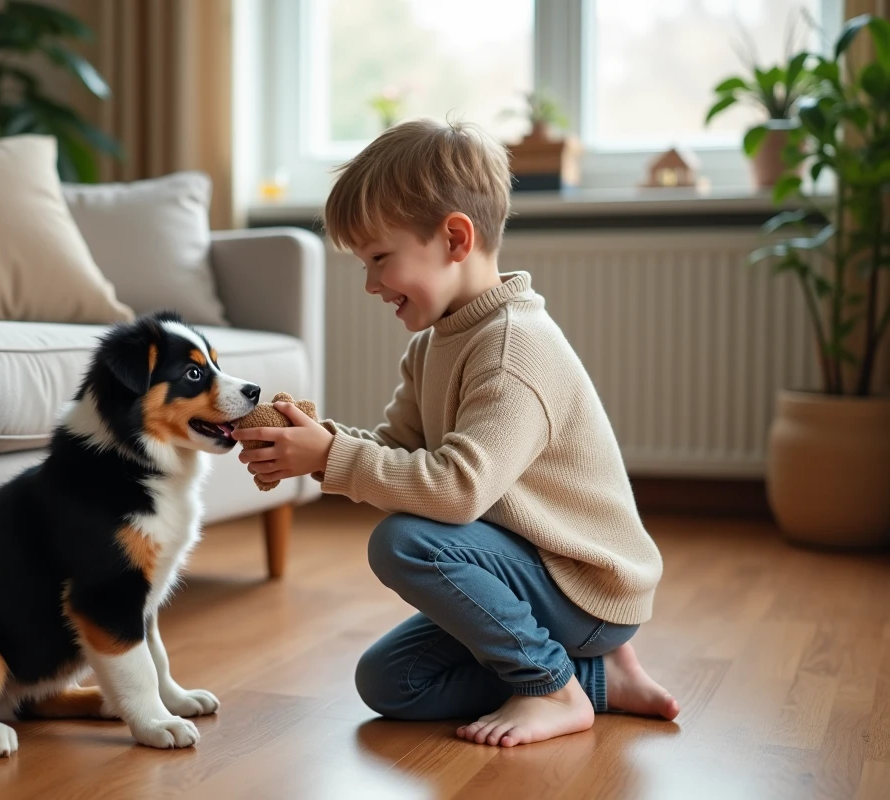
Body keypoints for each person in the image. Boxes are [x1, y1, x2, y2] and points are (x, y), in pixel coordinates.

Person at [232, 118, 679, 747]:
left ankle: (550, 687)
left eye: (380, 258)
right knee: (391, 684)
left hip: (583, 584)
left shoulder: (512, 350)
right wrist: (319, 444)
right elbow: (397, 450)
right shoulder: (436, 344)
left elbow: (457, 491)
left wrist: (334, 457)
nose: (370, 283)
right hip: (529, 574)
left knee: (405, 542)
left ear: (454, 238)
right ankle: (598, 681)